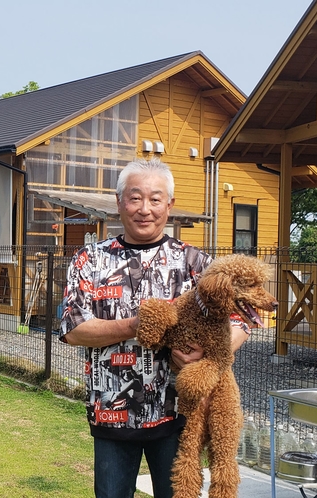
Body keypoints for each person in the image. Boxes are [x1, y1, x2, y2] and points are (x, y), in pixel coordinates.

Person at [59, 157, 250, 498]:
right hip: (112, 414)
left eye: (155, 199)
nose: (144, 209)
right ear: (119, 203)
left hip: (179, 416)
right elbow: (74, 328)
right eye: (135, 198)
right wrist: (136, 325)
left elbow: (242, 320)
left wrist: (207, 352)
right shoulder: (89, 259)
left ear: (169, 204)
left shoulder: (196, 263)